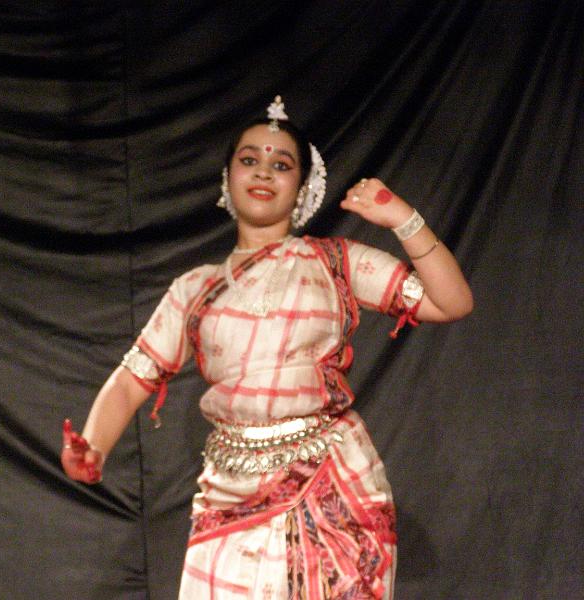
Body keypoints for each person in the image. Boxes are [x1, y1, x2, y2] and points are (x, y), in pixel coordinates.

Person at [61, 96, 473, 599]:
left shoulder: (334, 262)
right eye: (249, 159)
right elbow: (132, 380)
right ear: (228, 177)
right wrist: (94, 446)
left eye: (281, 165)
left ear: (302, 188)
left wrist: (403, 219)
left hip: (330, 481)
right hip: (228, 493)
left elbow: (451, 302)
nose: (263, 172)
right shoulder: (196, 289)